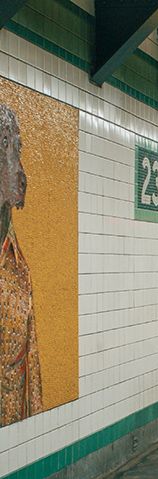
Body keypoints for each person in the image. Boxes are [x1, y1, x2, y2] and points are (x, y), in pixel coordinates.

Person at [0, 105, 43, 426]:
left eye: (17, 149)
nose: (21, 172)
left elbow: (31, 366)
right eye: (6, 147)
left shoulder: (15, 260)